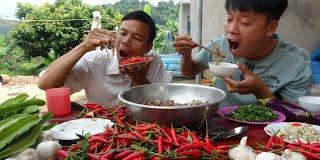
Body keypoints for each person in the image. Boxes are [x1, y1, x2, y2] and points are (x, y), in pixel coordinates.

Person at [173, 0, 312, 107]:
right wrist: (186, 56)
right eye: (229, 19)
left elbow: (293, 120)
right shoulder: (220, 46)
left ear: (270, 28)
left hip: (267, 136)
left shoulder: (295, 63)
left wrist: (260, 90)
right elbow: (189, 72)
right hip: (221, 129)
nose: (231, 29)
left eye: (245, 22)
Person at [38, 11, 170, 106]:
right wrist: (84, 46)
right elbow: (45, 84)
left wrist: (141, 79)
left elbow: (164, 104)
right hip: (102, 132)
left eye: (137, 38)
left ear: (148, 47)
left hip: (142, 131)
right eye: (122, 33)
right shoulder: (93, 61)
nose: (125, 41)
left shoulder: (153, 60)